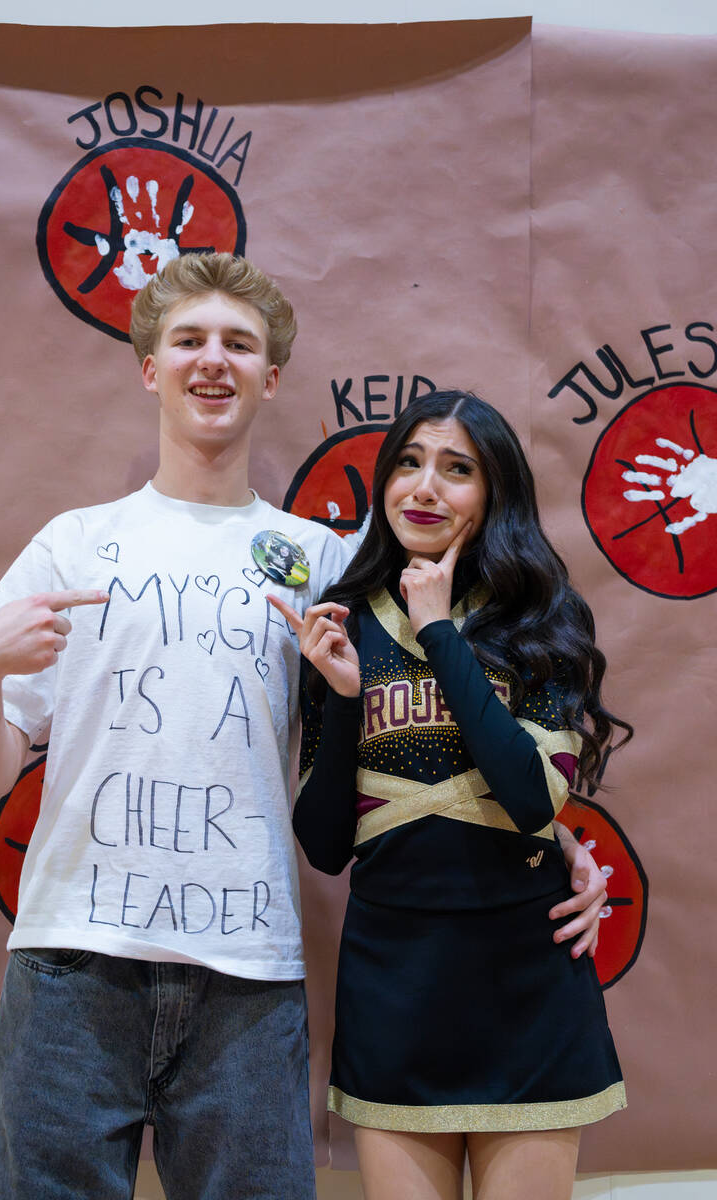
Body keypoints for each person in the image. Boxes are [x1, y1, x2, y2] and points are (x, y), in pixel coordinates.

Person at [0, 255, 606, 1200]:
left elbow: (452, 720)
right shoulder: (73, 543)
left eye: (239, 345)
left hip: (248, 975)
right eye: (190, 341)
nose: (214, 361)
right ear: (149, 368)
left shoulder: (327, 562)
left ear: (271, 376)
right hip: (71, 960)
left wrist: (563, 840)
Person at [270, 389, 630, 1200]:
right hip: (393, 980)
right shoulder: (345, 623)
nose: (424, 487)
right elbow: (326, 846)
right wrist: (348, 696)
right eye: (408, 462)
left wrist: (437, 628)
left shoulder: (543, 618)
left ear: (495, 490)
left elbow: (534, 799)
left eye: (456, 468)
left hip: (525, 977)